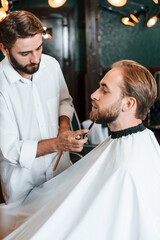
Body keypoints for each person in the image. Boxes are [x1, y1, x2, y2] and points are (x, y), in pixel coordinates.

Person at [1, 59, 160, 240]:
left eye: (104, 90)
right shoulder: (133, 141)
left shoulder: (128, 168)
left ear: (128, 104)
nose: (93, 94)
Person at [0, 10, 88, 204]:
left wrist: (64, 127)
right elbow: (9, 150)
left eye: (39, 48)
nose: (35, 59)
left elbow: (64, 102)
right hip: (23, 190)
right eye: (25, 53)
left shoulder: (51, 65)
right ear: (4, 49)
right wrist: (59, 143)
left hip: (61, 174)